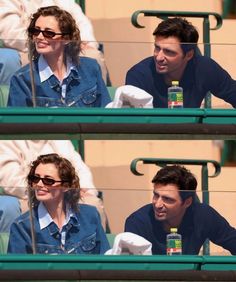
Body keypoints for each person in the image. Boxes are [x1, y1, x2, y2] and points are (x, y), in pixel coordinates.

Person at [7, 5, 111, 107]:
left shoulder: (91, 68)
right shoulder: (22, 80)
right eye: (36, 31)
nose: (39, 37)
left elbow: (106, 115)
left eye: (48, 33)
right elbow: (16, 123)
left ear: (66, 39)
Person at [7, 153, 110, 254]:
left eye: (48, 180)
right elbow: (16, 270)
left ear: (66, 186)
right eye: (35, 178)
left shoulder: (90, 216)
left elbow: (106, 262)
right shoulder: (22, 227)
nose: (39, 184)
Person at [125, 17, 236, 108]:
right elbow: (131, 123)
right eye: (157, 48)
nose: (159, 57)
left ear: (189, 55)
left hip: (192, 132)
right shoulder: (139, 75)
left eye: (169, 52)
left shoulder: (204, 68)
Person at [124, 165, 236, 255]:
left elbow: (232, 240)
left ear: (187, 202)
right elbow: (130, 270)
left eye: (167, 199)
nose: (157, 204)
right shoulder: (137, 222)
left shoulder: (203, 215)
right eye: (156, 195)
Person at [0, 140, 107, 232]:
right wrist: (42, 188)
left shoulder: (58, 138)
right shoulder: (8, 141)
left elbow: (80, 169)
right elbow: (11, 179)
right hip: (26, 197)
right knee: (10, 208)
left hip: (65, 193)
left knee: (93, 204)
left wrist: (81, 189)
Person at [0, 0, 108, 84]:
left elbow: (81, 23)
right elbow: (11, 33)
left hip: (66, 46)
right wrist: (43, 40)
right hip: (26, 49)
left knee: (93, 55)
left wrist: (86, 43)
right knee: (10, 60)